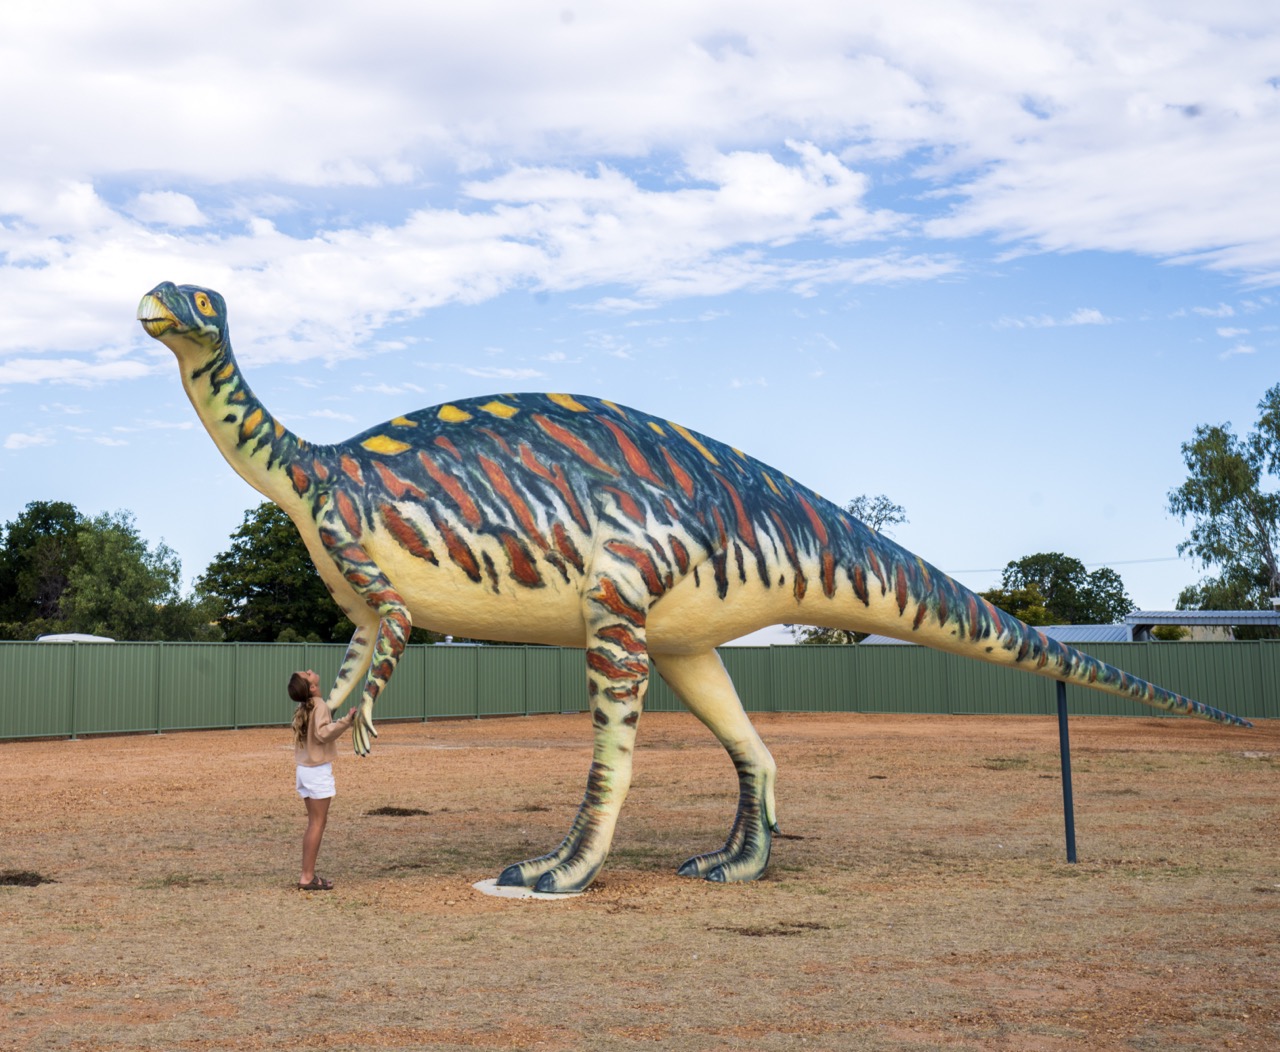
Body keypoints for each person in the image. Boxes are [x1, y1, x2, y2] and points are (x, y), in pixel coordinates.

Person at [288, 669, 358, 891]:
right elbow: (323, 733)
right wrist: (347, 720)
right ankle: (307, 877)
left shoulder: (306, 707)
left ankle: (307, 874)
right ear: (312, 687)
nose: (310, 670)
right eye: (307, 674)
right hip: (317, 771)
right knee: (317, 824)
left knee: (314, 824)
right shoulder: (319, 705)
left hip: (305, 770)